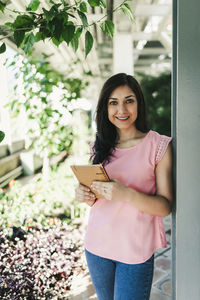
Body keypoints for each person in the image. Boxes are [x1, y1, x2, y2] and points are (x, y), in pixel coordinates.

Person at [75, 73, 173, 300]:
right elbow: (98, 199)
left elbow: (165, 206)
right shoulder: (99, 146)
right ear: (105, 108)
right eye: (113, 103)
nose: (122, 110)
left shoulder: (158, 146)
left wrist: (126, 194)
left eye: (129, 100)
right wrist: (85, 195)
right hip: (97, 247)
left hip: (135, 252)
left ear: (139, 103)